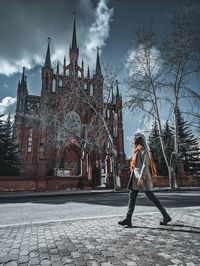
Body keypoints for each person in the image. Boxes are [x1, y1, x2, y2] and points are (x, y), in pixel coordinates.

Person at [118, 133, 171, 227]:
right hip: (135, 178)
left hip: (142, 178)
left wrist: (141, 178)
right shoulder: (137, 151)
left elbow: (145, 165)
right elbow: (136, 165)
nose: (133, 142)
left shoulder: (143, 150)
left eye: (135, 141)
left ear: (138, 141)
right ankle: (128, 219)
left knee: (151, 197)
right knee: (132, 196)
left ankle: (165, 215)